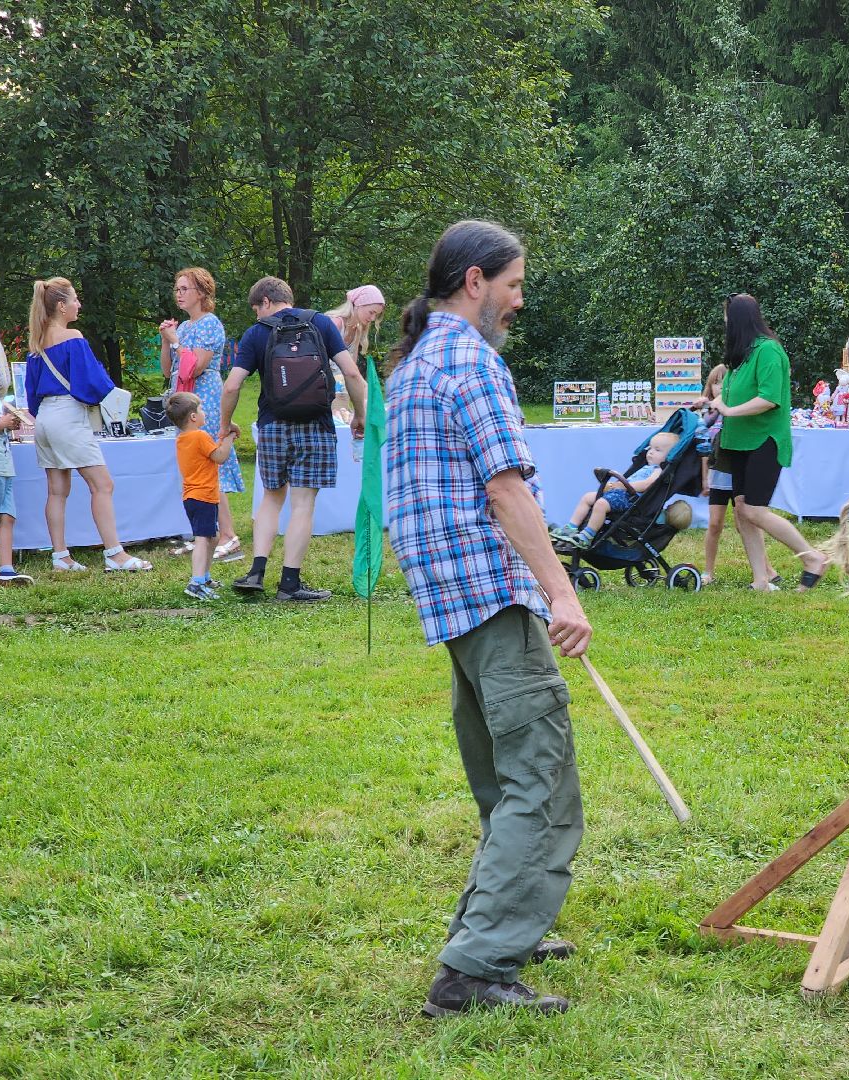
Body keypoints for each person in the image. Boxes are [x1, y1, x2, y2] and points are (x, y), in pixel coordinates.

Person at [384, 219, 591, 1017]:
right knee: (539, 779)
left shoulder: (412, 364)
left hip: (447, 600)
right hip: (490, 596)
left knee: (502, 776)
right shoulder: (469, 361)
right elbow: (507, 489)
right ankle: (476, 968)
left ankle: (507, 922)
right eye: (512, 286)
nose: (517, 301)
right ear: (475, 282)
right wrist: (562, 593)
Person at [219, 276, 366, 601]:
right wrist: (360, 415)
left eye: (257, 308)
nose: (258, 315)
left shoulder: (257, 333)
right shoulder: (322, 324)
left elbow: (231, 386)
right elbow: (352, 373)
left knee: (272, 497)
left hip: (273, 425)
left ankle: (256, 572)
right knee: (303, 504)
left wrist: (225, 425)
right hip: (316, 425)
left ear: (267, 301)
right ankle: (289, 583)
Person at [24, 277, 152, 573]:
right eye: (75, 300)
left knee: (56, 490)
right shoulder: (72, 337)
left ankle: (61, 556)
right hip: (68, 417)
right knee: (102, 484)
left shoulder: (36, 343)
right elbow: (93, 382)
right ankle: (115, 553)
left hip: (44, 417)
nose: (78, 304)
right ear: (61, 305)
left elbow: (31, 395)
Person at [706, 294, 827, 592]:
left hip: (763, 441)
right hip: (738, 442)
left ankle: (812, 558)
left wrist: (729, 411)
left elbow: (768, 399)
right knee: (743, 510)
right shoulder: (742, 355)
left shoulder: (769, 351)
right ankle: (761, 579)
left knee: (756, 511)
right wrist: (713, 401)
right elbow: (732, 392)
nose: (725, 323)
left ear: (737, 320)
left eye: (727, 318)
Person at [159, 267, 246, 562]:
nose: (179, 294)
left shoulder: (210, 324)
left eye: (185, 289)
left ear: (202, 293)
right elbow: (167, 369)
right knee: (194, 469)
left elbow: (195, 367)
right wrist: (166, 340)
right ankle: (203, 535)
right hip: (183, 402)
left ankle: (228, 535)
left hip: (202, 401)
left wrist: (174, 341)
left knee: (211, 467)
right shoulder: (182, 328)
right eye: (177, 289)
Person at [697, 363, 777, 586]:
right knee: (715, 524)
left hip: (740, 474)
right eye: (716, 382)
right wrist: (705, 478)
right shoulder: (709, 416)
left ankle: (766, 569)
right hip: (718, 476)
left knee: (748, 523)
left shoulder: (741, 413)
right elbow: (703, 450)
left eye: (725, 382)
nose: (720, 387)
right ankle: (708, 571)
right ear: (709, 387)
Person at [167, 392, 240, 600]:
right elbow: (220, 457)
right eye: (200, 409)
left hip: (195, 497)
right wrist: (229, 438)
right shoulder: (199, 436)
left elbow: (207, 455)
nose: (204, 412)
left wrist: (221, 439)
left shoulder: (183, 438)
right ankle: (196, 582)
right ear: (192, 417)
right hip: (202, 496)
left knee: (213, 537)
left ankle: (205, 578)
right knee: (202, 539)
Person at [551, 431, 677, 548]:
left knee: (601, 504)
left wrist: (623, 486)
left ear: (668, 456)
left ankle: (587, 536)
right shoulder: (644, 468)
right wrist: (614, 486)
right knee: (587, 497)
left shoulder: (658, 470)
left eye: (657, 450)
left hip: (631, 499)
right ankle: (571, 528)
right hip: (621, 494)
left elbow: (646, 485)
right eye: (650, 448)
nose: (650, 452)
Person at [325, 285, 387, 419]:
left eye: (376, 314)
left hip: (342, 393)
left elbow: (352, 371)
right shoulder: (336, 324)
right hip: (326, 392)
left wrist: (371, 397)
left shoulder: (357, 331)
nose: (372, 318)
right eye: (371, 312)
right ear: (359, 305)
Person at [0, 395, 31, 585]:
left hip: (4, 467)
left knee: (7, 516)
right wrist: (0, 424)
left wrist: (8, 424)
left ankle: (7, 569)